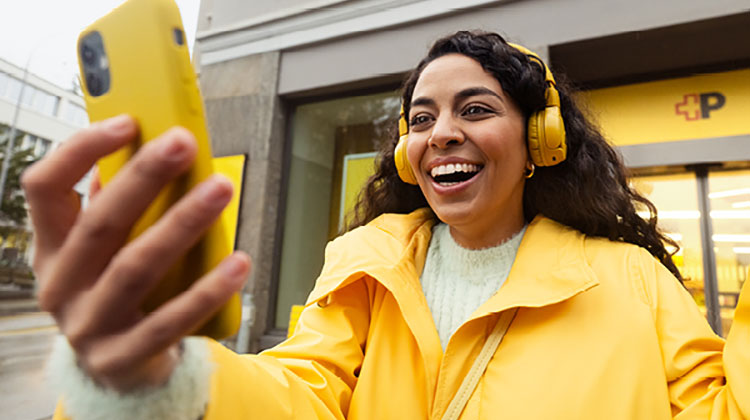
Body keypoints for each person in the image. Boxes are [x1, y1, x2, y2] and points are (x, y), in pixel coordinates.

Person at [25, 30, 748, 420]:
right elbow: (298, 396)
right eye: (422, 118)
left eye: (475, 109)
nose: (441, 134)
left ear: (539, 142)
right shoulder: (365, 266)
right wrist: (165, 380)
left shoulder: (636, 281)